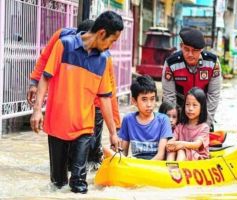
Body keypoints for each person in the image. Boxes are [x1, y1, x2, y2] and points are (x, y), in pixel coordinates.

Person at [30, 11, 123, 194]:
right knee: (57, 184)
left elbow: (105, 98)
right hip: (57, 125)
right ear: (102, 33)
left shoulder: (103, 60)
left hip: (84, 128)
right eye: (112, 41)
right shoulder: (64, 45)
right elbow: (45, 78)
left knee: (79, 184)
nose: (111, 46)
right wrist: (37, 110)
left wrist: (113, 132)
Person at [162, 27, 221, 131]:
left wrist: (205, 125)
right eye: (186, 49)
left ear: (201, 50)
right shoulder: (171, 63)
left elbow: (213, 96)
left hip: (203, 113)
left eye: (195, 51)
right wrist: (175, 125)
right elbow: (169, 97)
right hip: (178, 111)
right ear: (181, 47)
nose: (190, 54)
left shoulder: (212, 63)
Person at [116, 75, 173, 160]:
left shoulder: (163, 120)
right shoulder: (128, 120)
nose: (149, 104)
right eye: (144, 99)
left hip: (156, 167)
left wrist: (142, 167)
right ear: (134, 101)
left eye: (152, 99)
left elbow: (160, 155)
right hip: (136, 165)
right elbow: (124, 153)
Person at [166, 87, 209, 161]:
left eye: (194, 105)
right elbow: (171, 140)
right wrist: (170, 144)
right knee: (172, 150)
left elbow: (196, 145)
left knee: (181, 150)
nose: (190, 108)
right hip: (183, 155)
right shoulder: (180, 126)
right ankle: (168, 169)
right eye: (187, 104)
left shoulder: (204, 127)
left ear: (202, 108)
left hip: (199, 158)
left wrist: (180, 144)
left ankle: (177, 171)